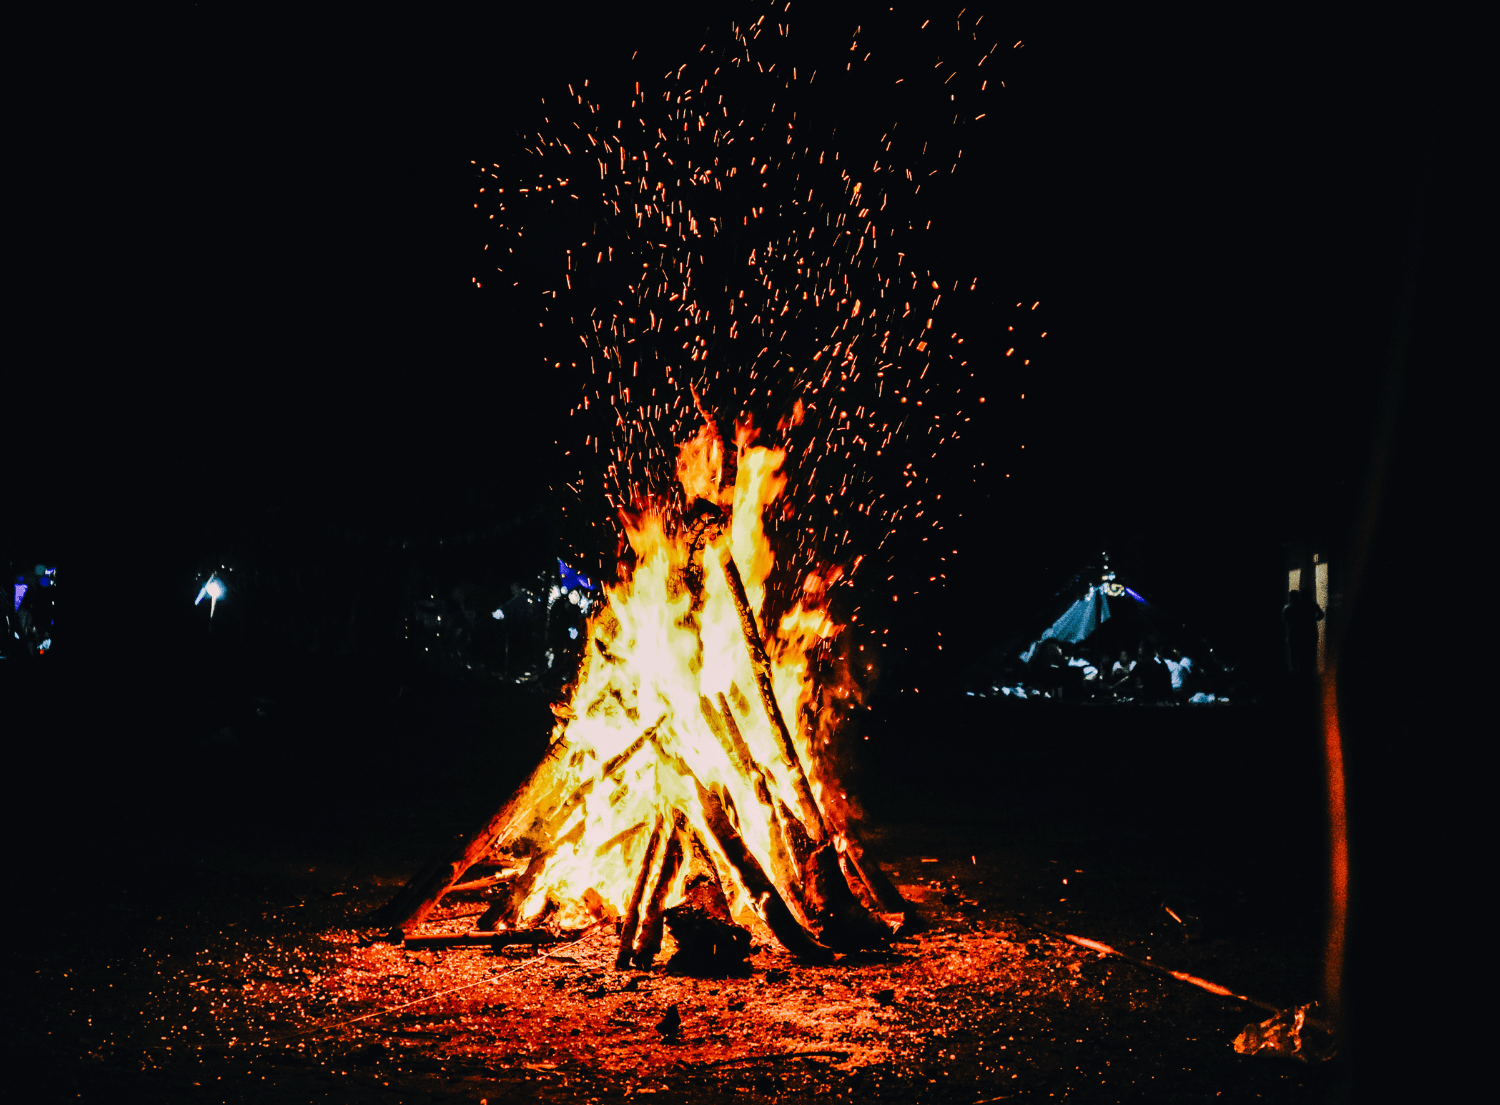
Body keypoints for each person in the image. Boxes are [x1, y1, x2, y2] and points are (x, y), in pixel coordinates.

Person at [1282, 589, 1323, 675]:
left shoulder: (1290, 607)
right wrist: (1314, 619)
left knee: (1296, 652)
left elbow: (1286, 620)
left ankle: (1296, 670)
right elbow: (1321, 614)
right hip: (1309, 631)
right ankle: (1308, 670)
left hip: (1295, 632)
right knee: (1307, 651)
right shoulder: (1311, 604)